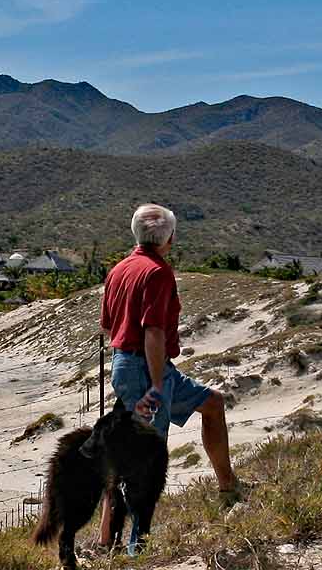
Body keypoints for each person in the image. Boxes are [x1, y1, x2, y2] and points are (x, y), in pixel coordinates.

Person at [96, 203, 241, 548]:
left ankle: (229, 488)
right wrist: (158, 384)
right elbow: (154, 332)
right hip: (148, 370)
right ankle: (135, 545)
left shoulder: (119, 270)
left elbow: (106, 325)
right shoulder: (158, 272)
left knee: (212, 404)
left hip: (130, 366)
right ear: (169, 237)